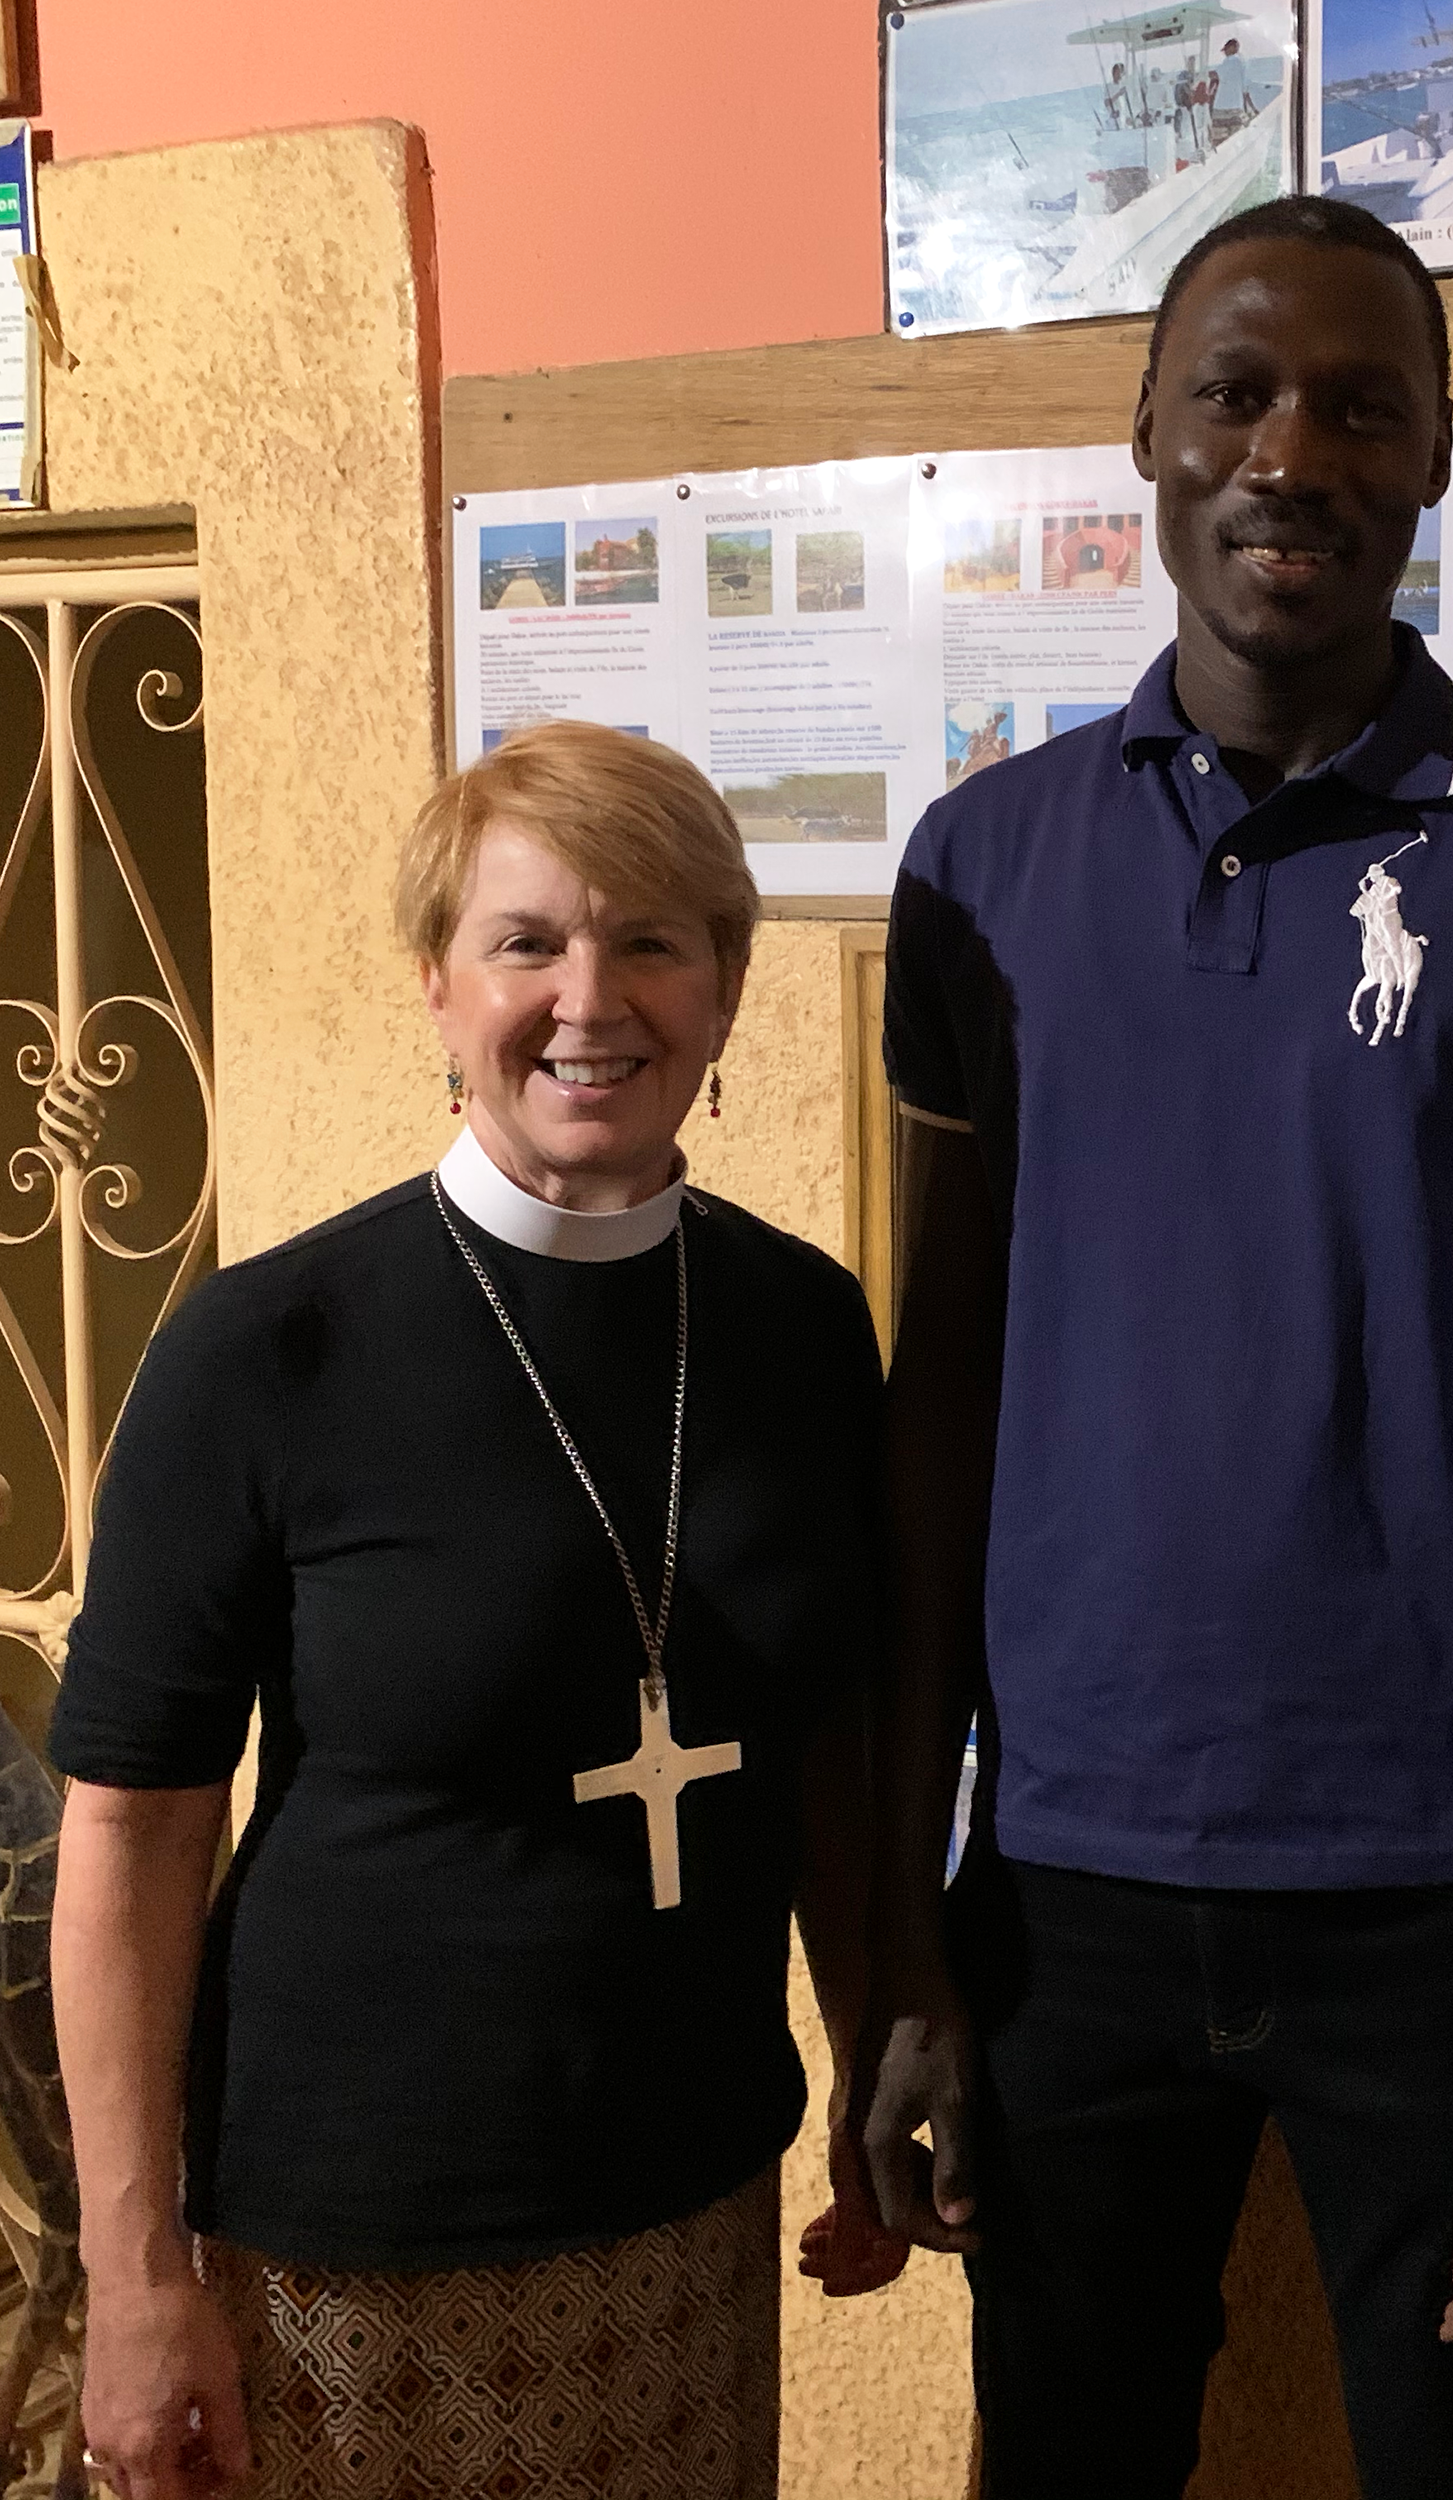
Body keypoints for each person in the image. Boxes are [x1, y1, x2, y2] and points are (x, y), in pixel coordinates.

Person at [858, 195, 1453, 2500]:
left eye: (1364, 403)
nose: (1294, 448)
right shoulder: (982, 863)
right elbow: (939, 1407)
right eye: (1236, 389)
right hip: (1061, 1907)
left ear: (1442, 459)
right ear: (1146, 434)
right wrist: (901, 1950)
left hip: (1448, 1918)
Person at [53, 720, 891, 2500]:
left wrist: (884, 2071)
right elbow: (127, 1832)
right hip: (359, 2254)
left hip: (689, 2204)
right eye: (529, 941)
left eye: (655, 938)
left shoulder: (803, 1328)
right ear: (438, 984)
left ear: (728, 990)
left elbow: (827, 1749)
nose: (592, 996)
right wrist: (131, 2282)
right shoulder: (267, 1352)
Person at [1209, 36, 1250, 144]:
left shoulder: (1230, 61)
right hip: (1237, 107)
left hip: (1223, 108)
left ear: (1232, 48)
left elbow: (1215, 75)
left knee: (1219, 143)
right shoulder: (1243, 63)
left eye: (1226, 50)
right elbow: (1245, 89)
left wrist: (1201, 75)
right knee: (1235, 142)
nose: (1225, 53)